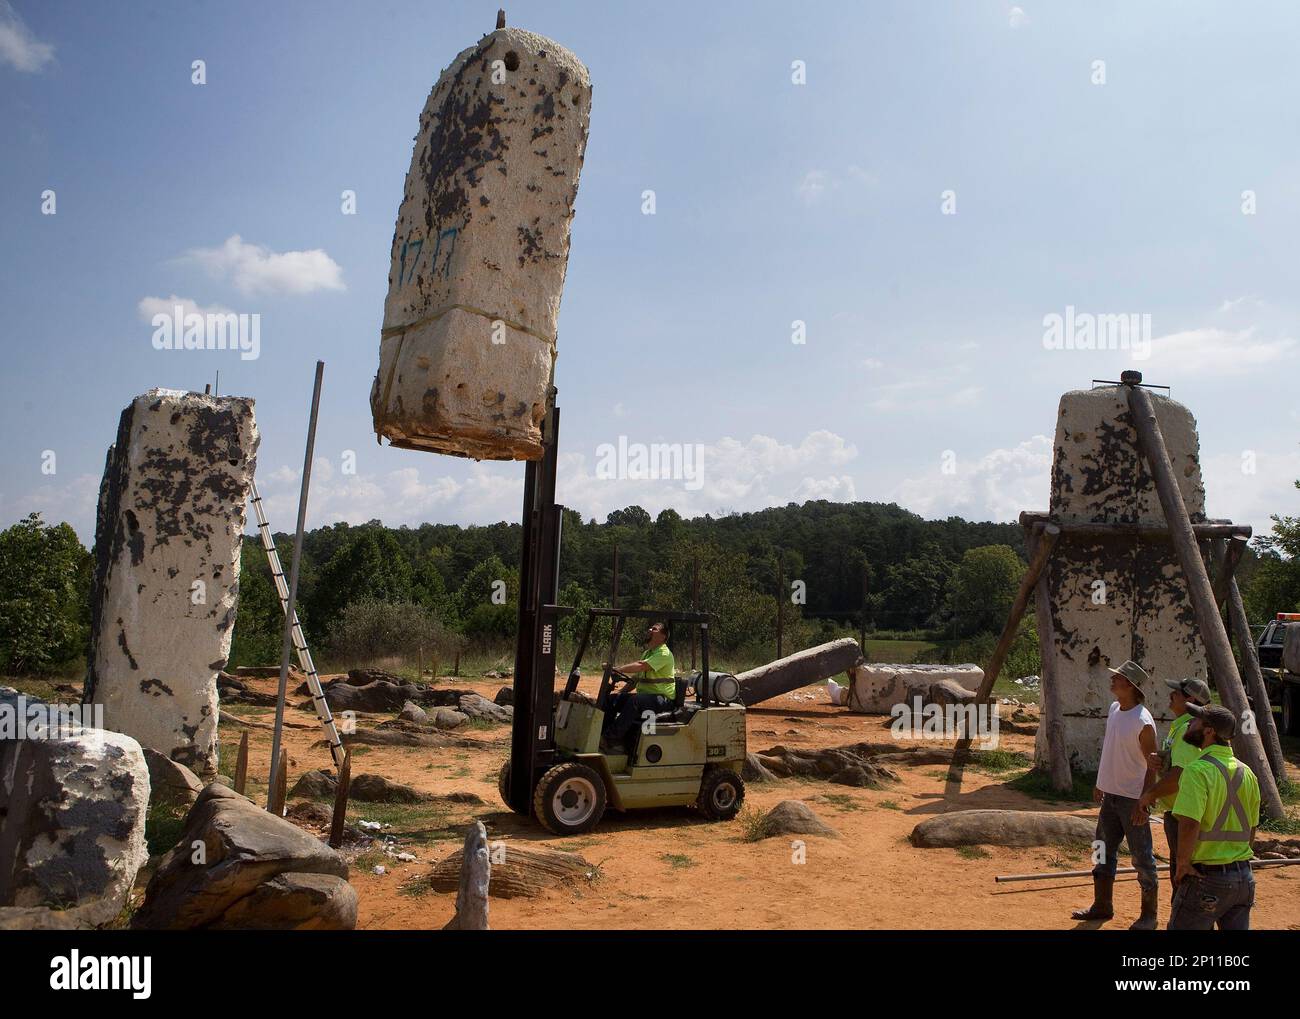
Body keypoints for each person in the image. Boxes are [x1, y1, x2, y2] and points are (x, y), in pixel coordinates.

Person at [1071, 659, 1161, 929]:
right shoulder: (1114, 709)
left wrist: (1144, 803)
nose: (1112, 680)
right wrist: (1101, 782)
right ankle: (1102, 905)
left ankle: (1149, 915)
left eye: (1117, 678)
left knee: (1142, 857)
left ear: (1130, 685)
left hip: (1132, 799)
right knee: (1101, 850)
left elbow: (1151, 766)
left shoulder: (1143, 722)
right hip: (1110, 796)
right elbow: (1111, 750)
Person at [1167, 703, 1261, 930]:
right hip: (1243, 878)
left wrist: (1181, 864)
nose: (1190, 723)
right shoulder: (1247, 773)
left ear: (1209, 731)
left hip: (1207, 879)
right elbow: (1251, 828)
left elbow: (1189, 823)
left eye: (1196, 720)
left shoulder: (1197, 770)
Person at [1133, 677, 1212, 895]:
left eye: (1176, 692)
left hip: (1184, 816)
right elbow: (1178, 765)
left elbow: (1180, 776)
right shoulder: (1181, 727)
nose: (1171, 695)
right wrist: (1160, 762)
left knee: (1184, 880)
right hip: (1180, 812)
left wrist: (1149, 795)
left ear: (1190, 700)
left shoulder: (1189, 731)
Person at [601, 622, 676, 752]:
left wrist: (617, 669)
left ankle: (610, 739)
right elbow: (635, 679)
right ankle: (600, 734)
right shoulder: (648, 653)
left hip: (662, 699)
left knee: (635, 701)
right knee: (612, 699)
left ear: (663, 636)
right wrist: (620, 694)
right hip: (648, 698)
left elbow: (641, 666)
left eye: (654, 629)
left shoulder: (664, 653)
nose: (650, 629)